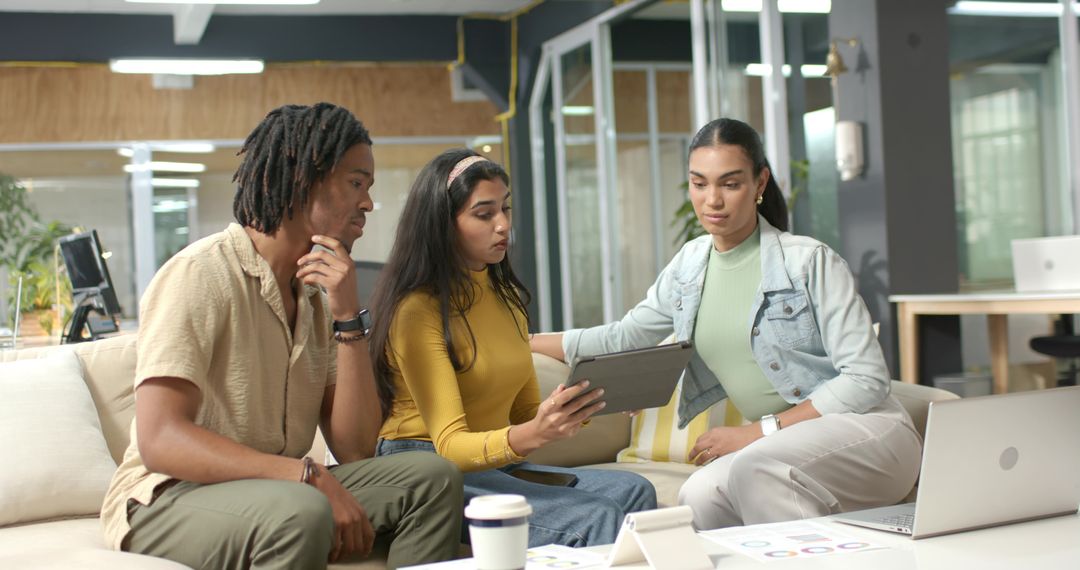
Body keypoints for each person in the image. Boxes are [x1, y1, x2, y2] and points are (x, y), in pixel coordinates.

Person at [100, 103, 464, 570]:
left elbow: (355, 448)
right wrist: (304, 476)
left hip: (277, 489)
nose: (368, 203)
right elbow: (161, 439)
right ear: (302, 181)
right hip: (165, 498)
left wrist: (349, 317)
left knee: (433, 477)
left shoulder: (314, 297)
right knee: (302, 511)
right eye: (356, 183)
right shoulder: (199, 274)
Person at [530, 118, 922, 530]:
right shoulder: (689, 265)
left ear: (760, 183)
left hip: (869, 434)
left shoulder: (809, 261)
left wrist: (760, 431)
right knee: (698, 494)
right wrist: (524, 341)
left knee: (756, 467)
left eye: (730, 184)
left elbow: (866, 379)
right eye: (699, 184)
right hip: (780, 448)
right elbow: (624, 336)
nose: (711, 200)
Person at [369, 148, 657, 547]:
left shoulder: (506, 301)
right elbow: (451, 446)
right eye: (484, 214)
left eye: (505, 209)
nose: (503, 225)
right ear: (443, 224)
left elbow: (523, 414)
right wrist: (533, 433)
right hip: (426, 469)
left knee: (635, 490)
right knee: (595, 516)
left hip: (491, 466)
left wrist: (581, 405)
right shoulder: (417, 311)